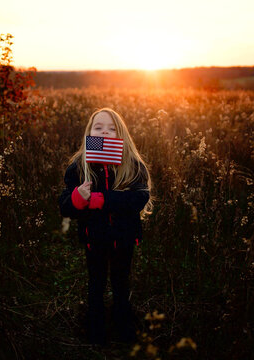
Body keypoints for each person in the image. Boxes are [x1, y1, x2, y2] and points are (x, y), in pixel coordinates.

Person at [58, 108, 153, 346]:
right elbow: (64, 205)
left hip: (124, 238)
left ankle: (124, 327)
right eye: (98, 128)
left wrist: (102, 200)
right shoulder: (79, 166)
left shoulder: (132, 164)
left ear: (122, 134)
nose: (105, 133)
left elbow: (139, 199)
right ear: (89, 133)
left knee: (121, 283)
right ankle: (96, 330)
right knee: (96, 284)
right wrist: (78, 198)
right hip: (95, 239)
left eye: (112, 129)